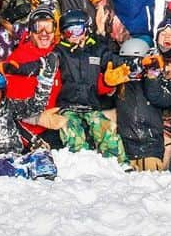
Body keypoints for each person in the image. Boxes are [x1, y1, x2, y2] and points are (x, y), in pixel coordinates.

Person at [53, 9, 128, 163]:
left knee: (106, 127)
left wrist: (135, 63)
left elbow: (113, 60)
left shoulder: (97, 49)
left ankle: (117, 163)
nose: (74, 35)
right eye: (68, 32)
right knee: (71, 130)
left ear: (86, 29)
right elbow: (42, 64)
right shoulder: (60, 51)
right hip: (69, 106)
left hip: (91, 105)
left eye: (78, 30)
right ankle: (80, 161)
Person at [0, 6, 66, 149]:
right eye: (38, 27)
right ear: (30, 31)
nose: (44, 33)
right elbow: (9, 105)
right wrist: (37, 119)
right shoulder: (19, 58)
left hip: (57, 123)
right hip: (31, 130)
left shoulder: (61, 54)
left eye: (49, 27)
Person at [109, 37, 168, 171]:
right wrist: (108, 86)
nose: (134, 70)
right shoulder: (120, 86)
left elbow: (166, 101)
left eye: (138, 64)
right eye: (128, 63)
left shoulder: (154, 84)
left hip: (151, 145)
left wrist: (154, 76)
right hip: (126, 147)